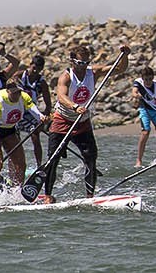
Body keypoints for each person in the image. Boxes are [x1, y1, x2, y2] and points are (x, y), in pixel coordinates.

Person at [42, 44, 130, 203]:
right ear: (72, 61)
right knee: (53, 159)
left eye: (86, 63)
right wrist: (75, 106)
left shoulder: (93, 72)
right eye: (80, 63)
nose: (83, 66)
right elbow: (61, 96)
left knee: (91, 157)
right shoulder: (66, 76)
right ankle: (47, 195)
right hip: (62, 120)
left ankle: (90, 196)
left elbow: (120, 69)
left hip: (82, 122)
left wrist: (125, 55)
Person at [0, 76, 43, 194]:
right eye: (15, 92)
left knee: (20, 163)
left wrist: (41, 117)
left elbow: (33, 109)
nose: (17, 95)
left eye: (19, 92)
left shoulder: (23, 96)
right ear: (8, 91)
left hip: (9, 130)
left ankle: (17, 192)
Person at [133, 66, 156, 167]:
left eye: (150, 79)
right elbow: (134, 92)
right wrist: (137, 96)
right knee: (146, 131)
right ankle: (139, 161)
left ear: (153, 77)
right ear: (142, 78)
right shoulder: (138, 82)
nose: (148, 82)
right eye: (146, 79)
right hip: (144, 109)